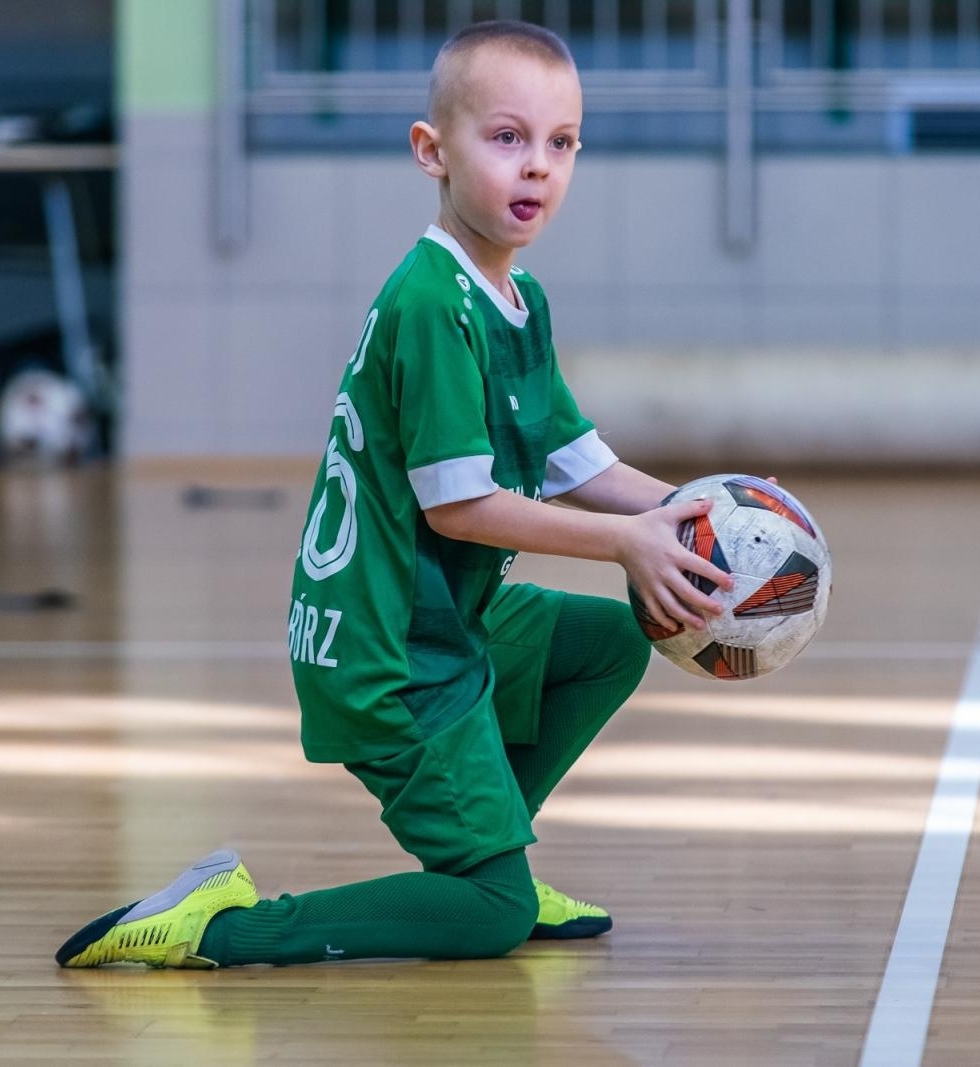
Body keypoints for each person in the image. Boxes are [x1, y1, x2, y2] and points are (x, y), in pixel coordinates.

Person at [56, 19, 731, 970]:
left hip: (449, 617)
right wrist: (629, 545)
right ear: (433, 152)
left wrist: (712, 510)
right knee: (490, 916)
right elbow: (463, 508)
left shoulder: (516, 298)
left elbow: (583, 463)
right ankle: (225, 926)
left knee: (618, 638)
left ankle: (497, 846)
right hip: (389, 647)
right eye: (507, 138)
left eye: (561, 143)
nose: (537, 166)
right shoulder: (430, 302)